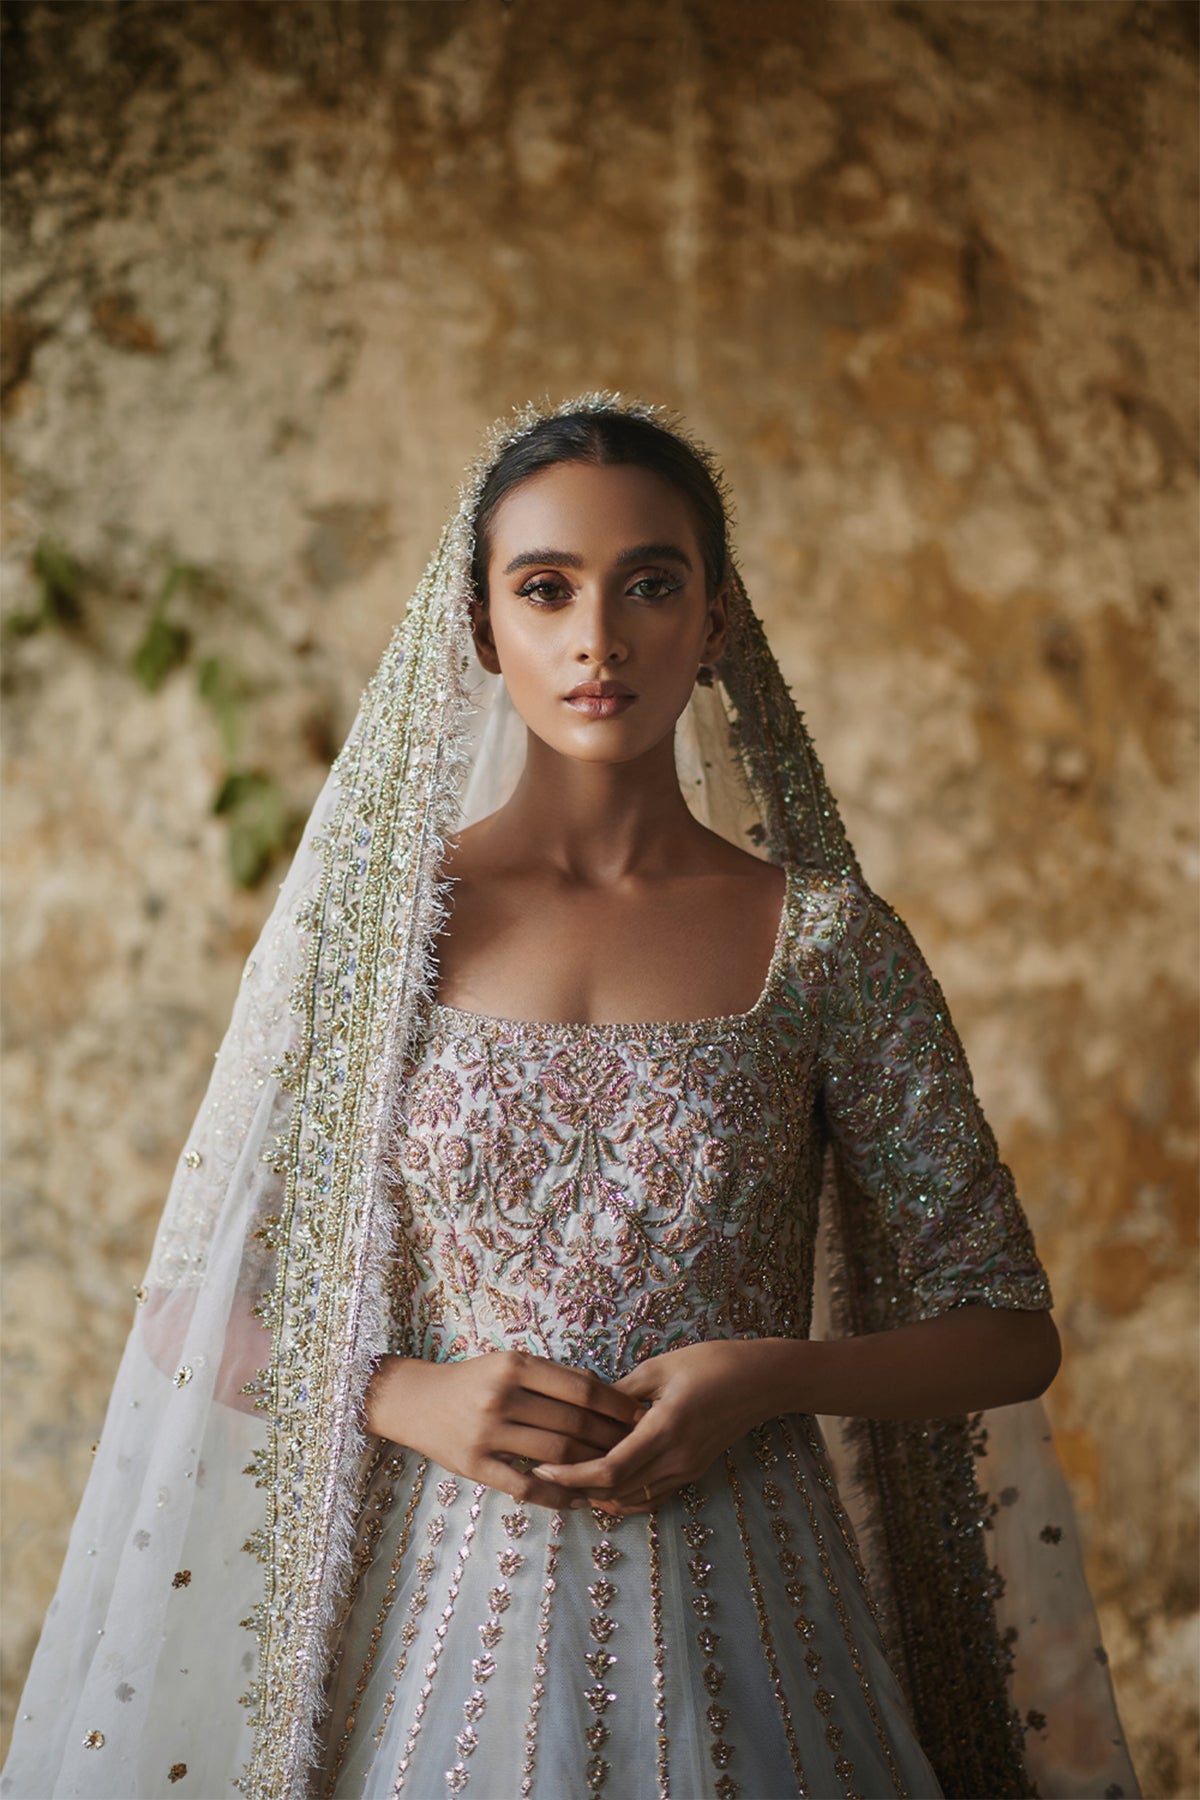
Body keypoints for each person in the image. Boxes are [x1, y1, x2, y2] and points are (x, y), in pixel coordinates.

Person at [2, 394, 1139, 1800]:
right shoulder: (371, 936)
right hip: (437, 1643)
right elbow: (188, 1313)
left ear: (716, 622)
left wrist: (775, 1376)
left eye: (650, 585)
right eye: (546, 589)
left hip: (762, 1632)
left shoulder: (829, 942)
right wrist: (397, 1392)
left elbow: (1006, 1332)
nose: (599, 638)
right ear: (482, 629)